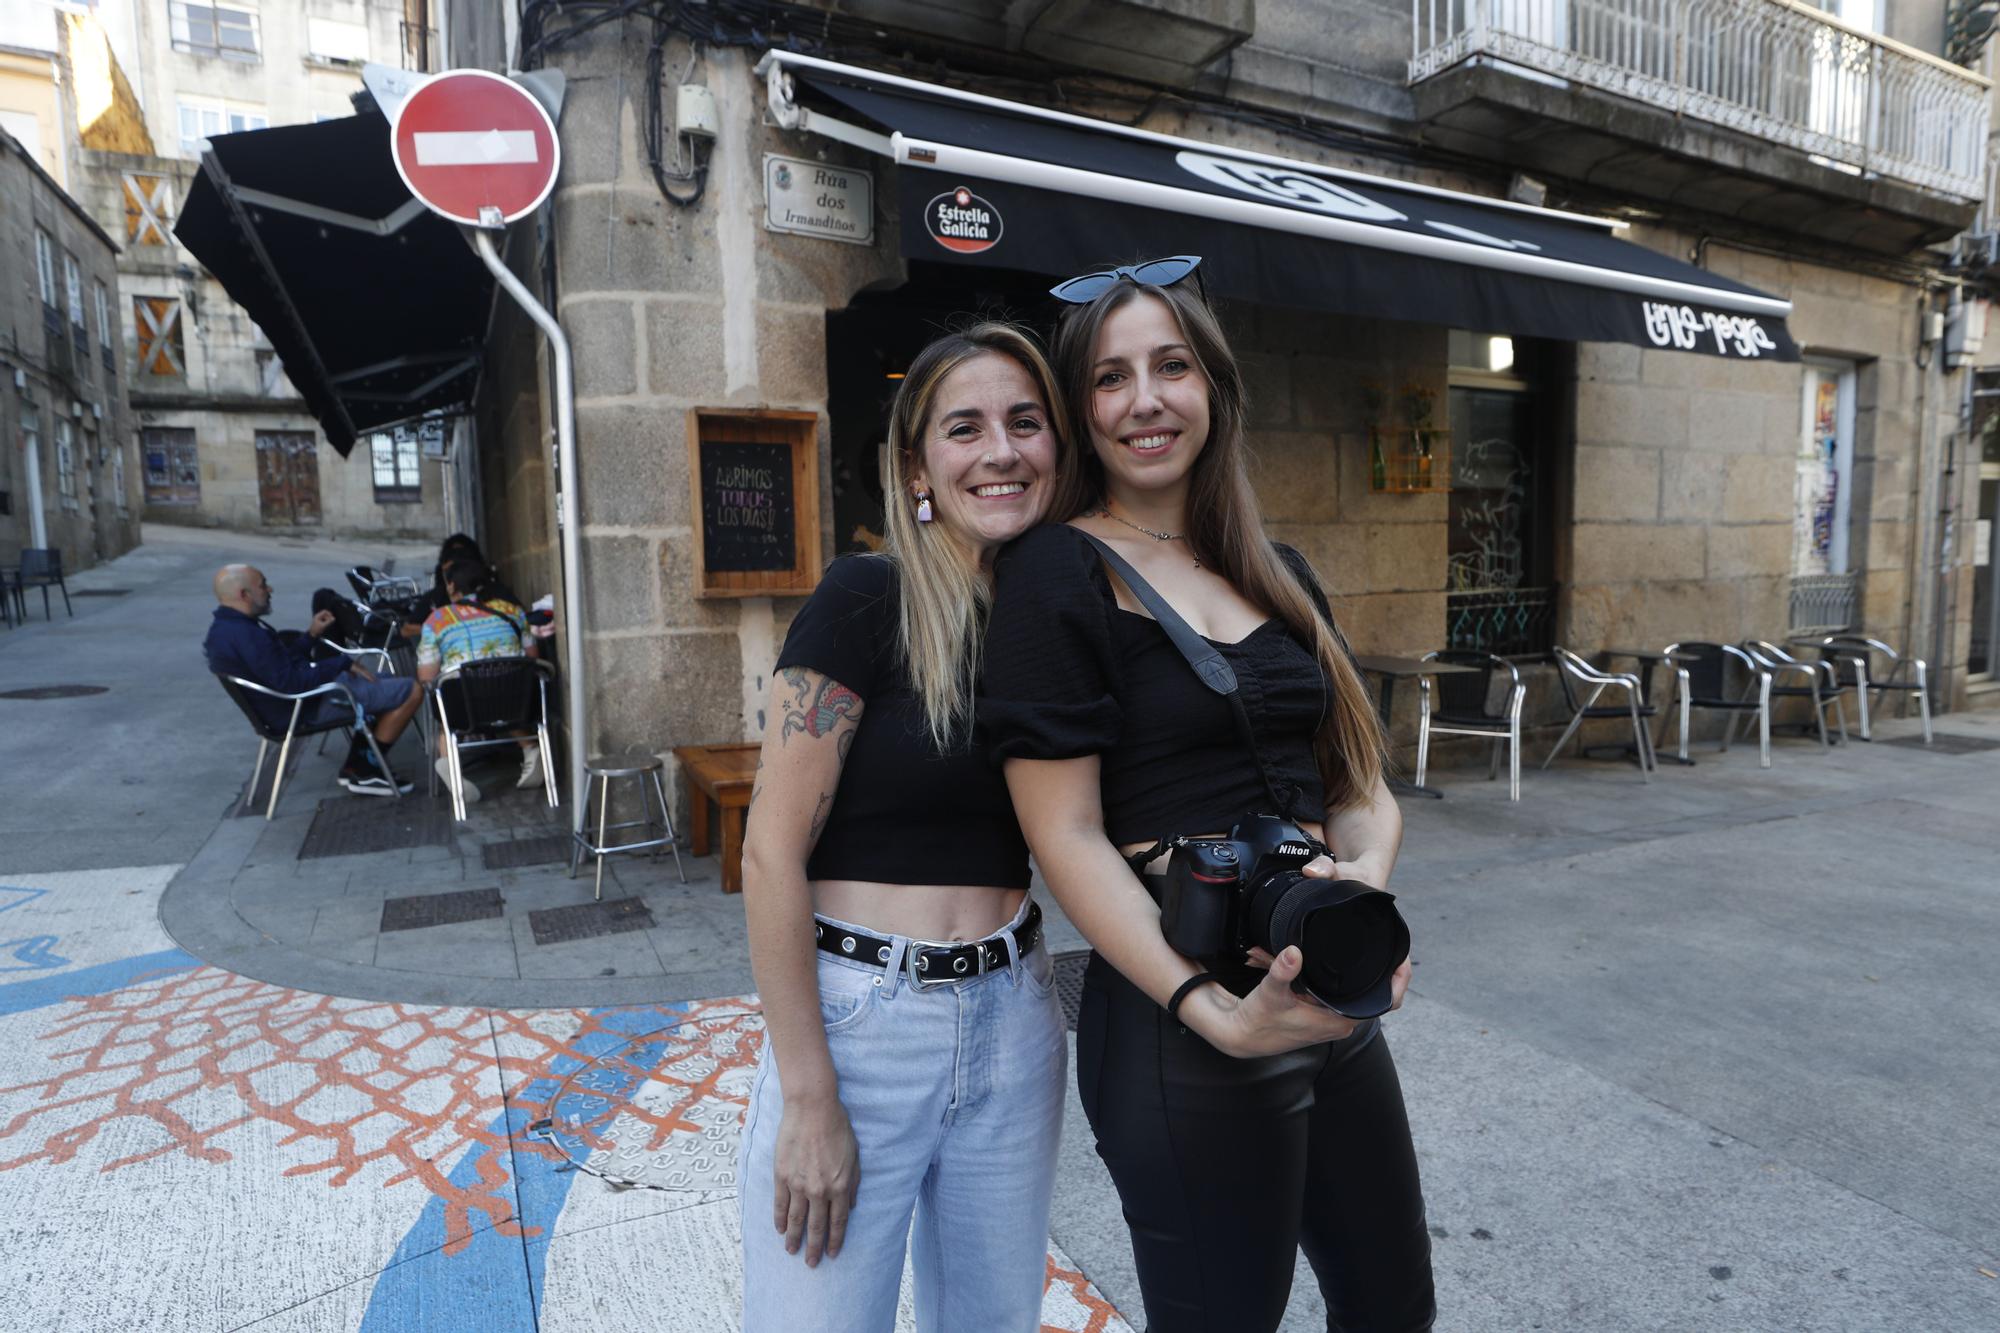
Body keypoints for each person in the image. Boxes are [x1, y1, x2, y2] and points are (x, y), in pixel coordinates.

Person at [982, 258, 1436, 1331]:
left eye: (1171, 366)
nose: (1144, 399)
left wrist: (1351, 895)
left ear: (1214, 388)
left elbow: (1359, 784)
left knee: (1391, 1313)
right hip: (1177, 1027)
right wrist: (1213, 1013)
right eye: (1109, 377)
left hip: (1326, 1002)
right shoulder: (1055, 572)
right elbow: (1067, 836)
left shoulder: (1274, 570)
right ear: (1080, 409)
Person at [738, 322, 1068, 1331]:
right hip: (862, 1024)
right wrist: (807, 1095)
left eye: (1024, 421)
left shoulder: (1054, 623)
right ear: (915, 464)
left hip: (1015, 1021)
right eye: (962, 428)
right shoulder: (862, 597)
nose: (999, 450)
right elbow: (768, 848)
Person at [204, 563, 420, 796]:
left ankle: (357, 767)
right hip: (301, 707)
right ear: (244, 595)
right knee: (411, 690)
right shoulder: (246, 635)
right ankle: (366, 771)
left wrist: (311, 635)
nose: (270, 589)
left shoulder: (226, 629)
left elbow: (282, 667)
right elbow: (292, 683)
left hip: (294, 702)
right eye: (263, 585)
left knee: (385, 681)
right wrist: (340, 663)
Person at [414, 557, 538, 805]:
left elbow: (426, 678)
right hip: (517, 702)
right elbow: (532, 657)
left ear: (451, 587)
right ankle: (532, 750)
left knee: (445, 710)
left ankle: (451, 767)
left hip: (463, 709)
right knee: (503, 684)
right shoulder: (512, 611)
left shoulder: (437, 620)